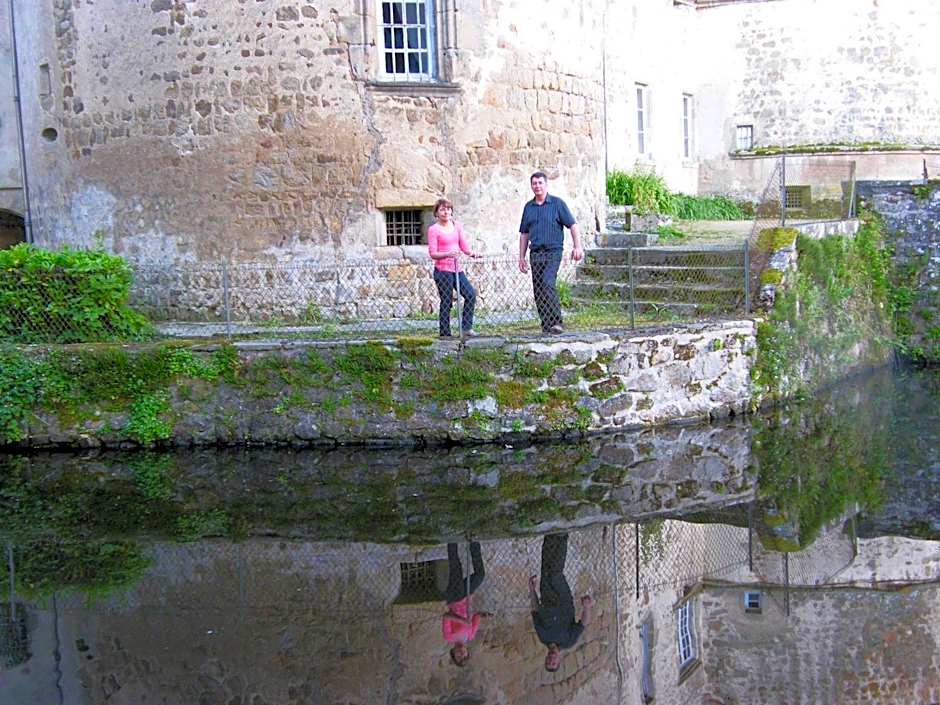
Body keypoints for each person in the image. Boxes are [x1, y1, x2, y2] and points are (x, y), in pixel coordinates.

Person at [518, 172, 584, 334]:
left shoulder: (557, 204)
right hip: (536, 253)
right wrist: (521, 257)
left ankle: (557, 322)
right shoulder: (528, 207)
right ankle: (546, 325)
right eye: (534, 183)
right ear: (531, 186)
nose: (537, 186)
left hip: (553, 252)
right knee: (539, 289)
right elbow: (524, 233)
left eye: (540, 183)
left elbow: (573, 225)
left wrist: (578, 246)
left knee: (548, 283)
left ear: (546, 184)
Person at [529, 533, 593, 672]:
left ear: (546, 658)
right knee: (555, 574)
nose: (551, 660)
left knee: (546, 567)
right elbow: (583, 623)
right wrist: (587, 608)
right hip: (562, 598)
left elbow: (535, 610)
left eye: (548, 662)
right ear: (559, 660)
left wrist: (532, 590)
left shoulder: (543, 637)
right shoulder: (568, 642)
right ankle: (562, 535)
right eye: (554, 663)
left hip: (546, 595)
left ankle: (550, 535)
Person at [428, 198, 481, 338]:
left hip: (457, 269)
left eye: (448, 209)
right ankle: (445, 333)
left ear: (451, 211)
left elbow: (463, 245)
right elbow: (433, 253)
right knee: (446, 301)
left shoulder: (457, 226)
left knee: (470, 294)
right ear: (437, 213)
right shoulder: (433, 230)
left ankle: (466, 328)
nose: (446, 212)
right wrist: (448, 254)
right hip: (442, 271)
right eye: (442, 209)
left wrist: (472, 253)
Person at [442, 541, 492, 667]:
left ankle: (452, 538)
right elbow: (476, 616)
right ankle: (474, 542)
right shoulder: (470, 636)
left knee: (456, 566)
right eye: (464, 656)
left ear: (453, 653)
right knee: (480, 575)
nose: (461, 654)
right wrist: (484, 615)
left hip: (454, 598)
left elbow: (446, 617)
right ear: (467, 652)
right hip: (466, 597)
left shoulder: (449, 637)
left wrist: (462, 620)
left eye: (458, 657)